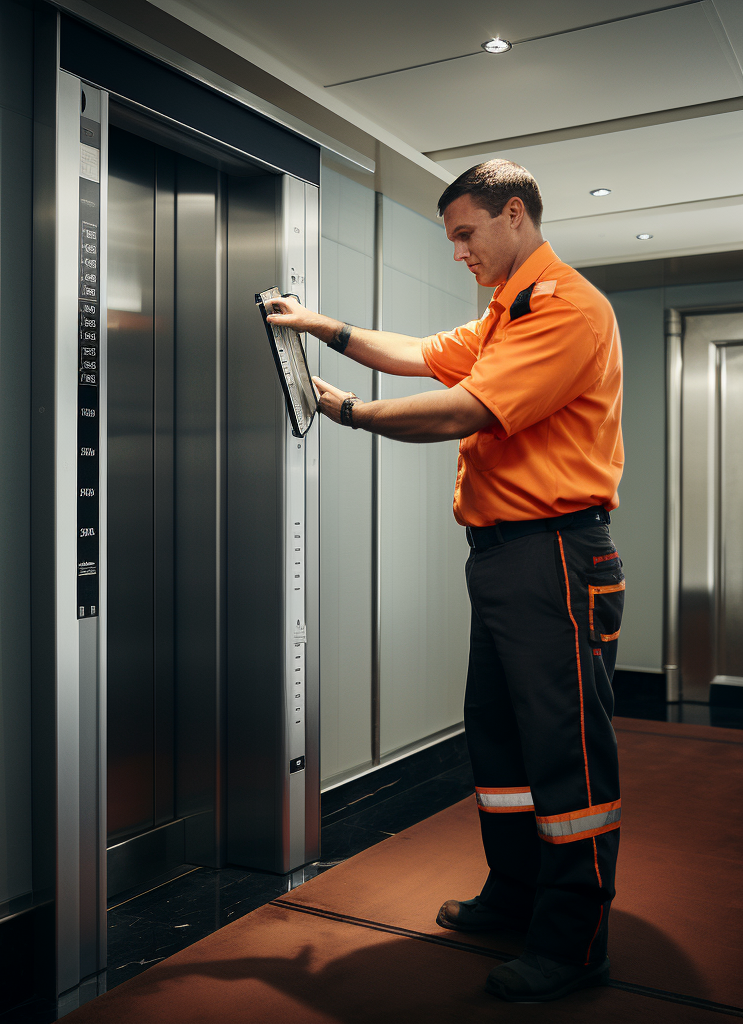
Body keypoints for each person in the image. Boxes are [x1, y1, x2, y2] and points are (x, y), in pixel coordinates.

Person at [267, 159, 625, 1003]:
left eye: (466, 233)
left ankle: (576, 939)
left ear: (514, 215)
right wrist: (319, 325)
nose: (459, 251)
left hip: (556, 554)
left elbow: (462, 410)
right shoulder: (507, 311)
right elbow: (422, 357)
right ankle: (515, 893)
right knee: (499, 740)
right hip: (504, 556)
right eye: (451, 237)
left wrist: (345, 410)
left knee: (567, 752)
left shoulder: (565, 306)